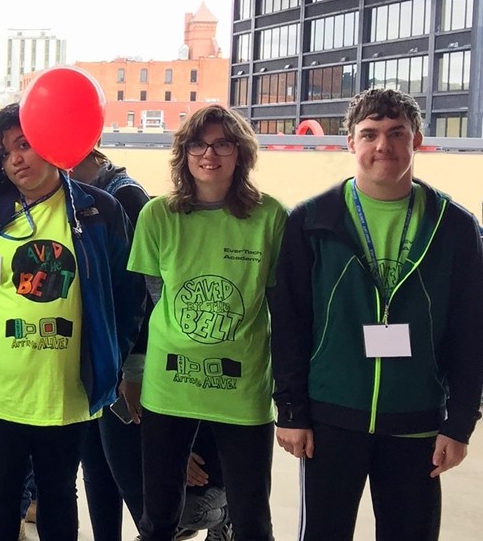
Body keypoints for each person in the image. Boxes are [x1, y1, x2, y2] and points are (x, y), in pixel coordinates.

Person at [269, 88, 483, 541]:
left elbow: (471, 331)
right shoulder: (311, 220)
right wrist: (290, 410)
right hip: (331, 419)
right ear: (350, 143)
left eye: (396, 133)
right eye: (369, 134)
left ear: (417, 140)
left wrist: (460, 422)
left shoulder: (456, 227)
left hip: (418, 420)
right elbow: (289, 324)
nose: (382, 145)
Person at [0, 104, 142, 541]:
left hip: (65, 387)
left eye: (25, 144)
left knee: (57, 491)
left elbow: (127, 294)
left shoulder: (98, 210)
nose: (16, 158)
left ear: (52, 142)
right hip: (0, 387)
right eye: (5, 150)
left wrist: (112, 352)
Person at [129, 105, 287, 541]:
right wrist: (134, 373)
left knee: (252, 517)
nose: (209, 154)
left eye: (222, 144)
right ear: (184, 153)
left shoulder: (270, 217)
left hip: (243, 389)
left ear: (241, 153)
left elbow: (282, 307)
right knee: (159, 517)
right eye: (198, 144)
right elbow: (152, 299)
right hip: (169, 386)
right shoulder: (158, 215)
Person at [69, 148, 152, 541]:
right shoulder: (71, 195)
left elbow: (145, 291)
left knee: (128, 473)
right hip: (91, 357)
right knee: (96, 465)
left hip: (121, 357)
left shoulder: (126, 196)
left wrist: (132, 366)